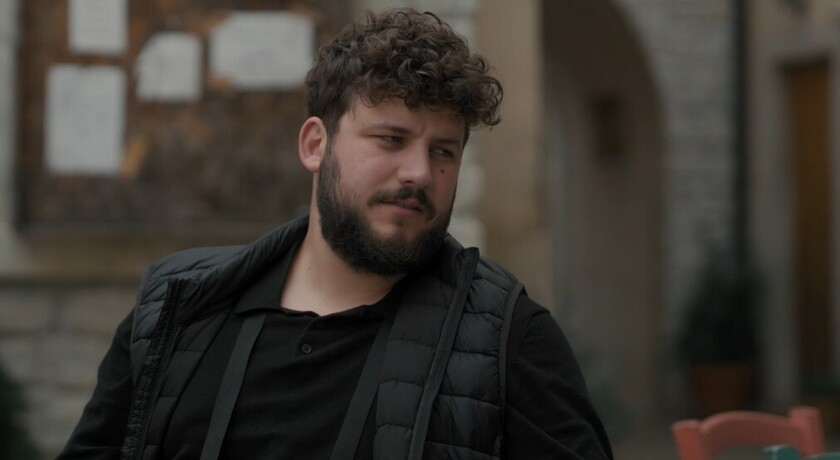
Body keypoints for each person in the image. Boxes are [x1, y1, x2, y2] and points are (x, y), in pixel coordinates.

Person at [58, 8, 613, 460]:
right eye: (391, 139)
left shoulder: (506, 337)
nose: (420, 173)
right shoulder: (176, 305)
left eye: (443, 151)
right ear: (315, 145)